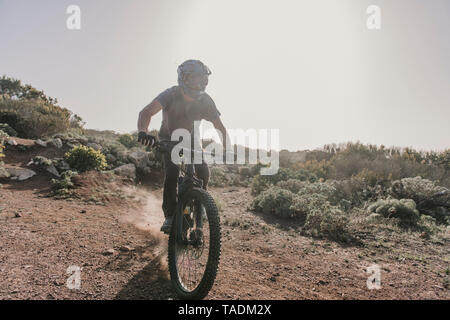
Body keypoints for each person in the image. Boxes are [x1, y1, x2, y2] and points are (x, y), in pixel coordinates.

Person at [137, 60, 231, 233]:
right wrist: (143, 132)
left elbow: (220, 128)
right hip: (168, 139)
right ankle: (170, 216)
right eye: (194, 78)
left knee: (202, 171)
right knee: (172, 173)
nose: (198, 83)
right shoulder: (171, 94)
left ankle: (200, 200)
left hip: (192, 139)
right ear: (184, 78)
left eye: (201, 79)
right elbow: (146, 112)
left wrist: (227, 149)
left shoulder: (205, 100)